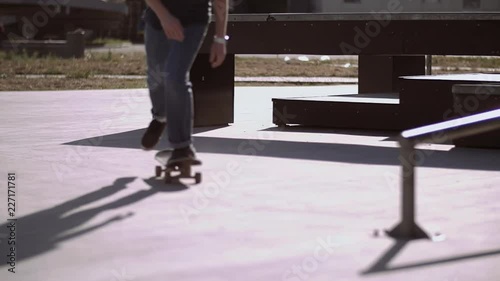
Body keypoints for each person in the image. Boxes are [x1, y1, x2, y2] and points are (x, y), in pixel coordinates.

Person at [141, 0, 229, 164]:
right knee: (156, 79)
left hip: (193, 21)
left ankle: (182, 147)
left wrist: (220, 39)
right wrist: (165, 17)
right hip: (157, 19)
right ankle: (161, 117)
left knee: (175, 77)